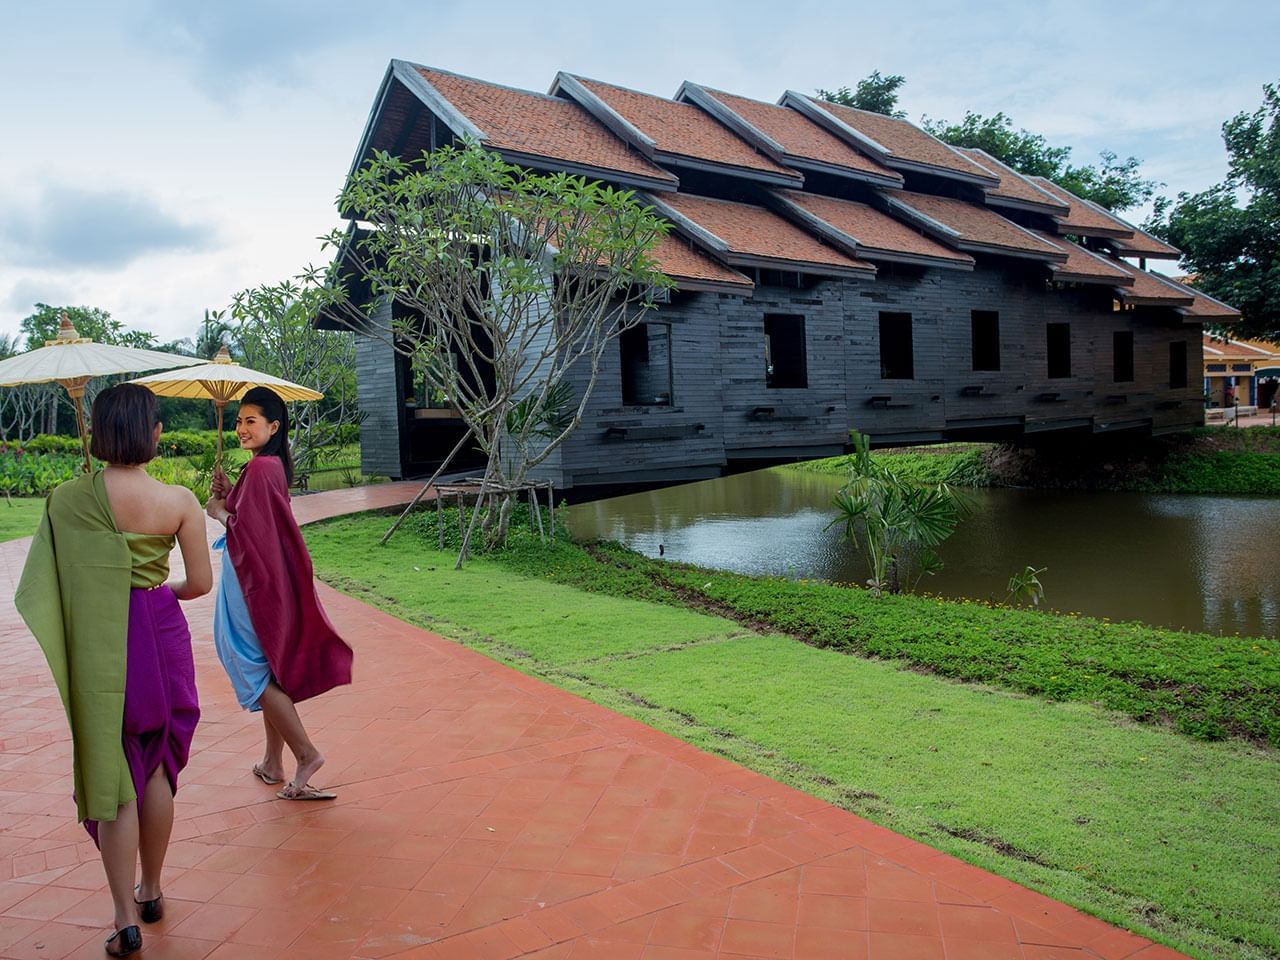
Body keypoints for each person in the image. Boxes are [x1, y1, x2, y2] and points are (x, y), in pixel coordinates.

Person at [16, 384, 212, 957]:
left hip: (101, 644)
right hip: (159, 630)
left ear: (98, 434)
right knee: (155, 770)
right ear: (153, 433)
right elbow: (198, 584)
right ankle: (151, 888)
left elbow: (46, 587)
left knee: (114, 771)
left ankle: (125, 918)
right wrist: (157, 591)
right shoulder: (178, 500)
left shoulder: (65, 499)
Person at [205, 386, 352, 801]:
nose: (240, 429)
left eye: (250, 421)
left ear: (273, 425)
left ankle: (306, 753)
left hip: (248, 581)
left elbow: (248, 530)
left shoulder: (262, 469)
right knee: (265, 666)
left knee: (246, 663)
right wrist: (231, 490)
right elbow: (255, 516)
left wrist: (217, 511)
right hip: (258, 578)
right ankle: (273, 762)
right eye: (238, 421)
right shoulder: (267, 467)